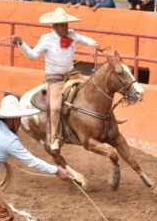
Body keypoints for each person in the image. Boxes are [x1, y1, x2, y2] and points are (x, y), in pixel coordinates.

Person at [11, 8, 100, 152]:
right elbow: (33, 55)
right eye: (61, 25)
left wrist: (93, 43)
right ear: (54, 26)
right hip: (55, 79)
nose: (65, 28)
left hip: (72, 74)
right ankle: (55, 138)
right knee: (55, 107)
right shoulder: (46, 39)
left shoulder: (72, 34)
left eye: (66, 24)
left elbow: (83, 39)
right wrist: (21, 43)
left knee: (96, 86)